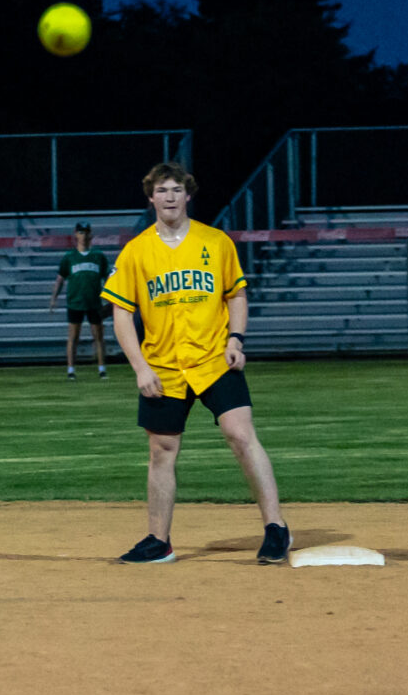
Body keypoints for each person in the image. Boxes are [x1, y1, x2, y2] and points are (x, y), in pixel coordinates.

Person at [101, 162, 289, 565]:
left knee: (240, 435)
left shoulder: (216, 241)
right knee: (162, 450)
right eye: (162, 190)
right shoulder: (136, 251)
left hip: (214, 358)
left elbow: (236, 295)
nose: (169, 197)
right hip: (164, 366)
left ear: (188, 194)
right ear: (150, 198)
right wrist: (140, 367)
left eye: (176, 189)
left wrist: (236, 339)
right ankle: (159, 541)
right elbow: (121, 314)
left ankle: (276, 528)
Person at [47, 222, 112, 379]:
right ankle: (71, 370)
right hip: (75, 302)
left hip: (94, 302)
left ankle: (102, 369)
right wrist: (53, 298)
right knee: (73, 337)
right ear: (76, 235)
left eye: (86, 232)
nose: (84, 236)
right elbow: (60, 279)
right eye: (81, 232)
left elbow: (108, 278)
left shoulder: (98, 256)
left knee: (98, 336)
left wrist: (110, 298)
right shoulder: (69, 257)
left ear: (91, 235)